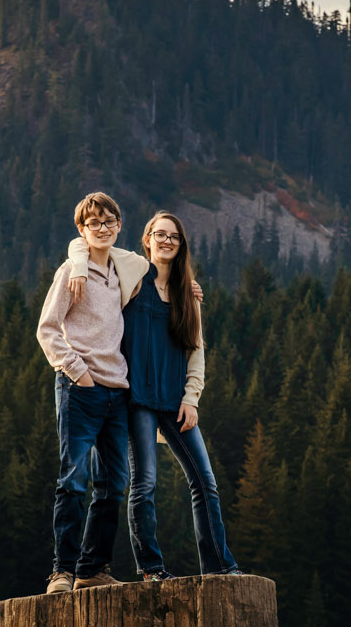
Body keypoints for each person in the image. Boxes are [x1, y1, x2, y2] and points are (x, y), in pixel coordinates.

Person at [67, 210, 239, 579]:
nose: (166, 241)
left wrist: (192, 398)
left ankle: (220, 568)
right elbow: (83, 242)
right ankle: (152, 569)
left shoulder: (186, 292)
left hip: (176, 401)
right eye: (160, 234)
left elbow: (197, 350)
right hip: (137, 400)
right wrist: (80, 268)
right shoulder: (130, 271)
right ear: (146, 239)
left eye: (173, 237)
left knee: (204, 482)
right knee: (144, 484)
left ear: (181, 246)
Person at [35, 192, 132, 594]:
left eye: (109, 222)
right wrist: (77, 372)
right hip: (81, 389)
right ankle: (62, 571)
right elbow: (47, 329)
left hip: (117, 392)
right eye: (95, 224)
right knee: (73, 480)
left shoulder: (121, 271)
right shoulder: (70, 273)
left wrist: (189, 285)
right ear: (82, 229)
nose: (103, 229)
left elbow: (163, 268)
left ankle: (93, 568)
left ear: (119, 225)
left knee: (114, 483)